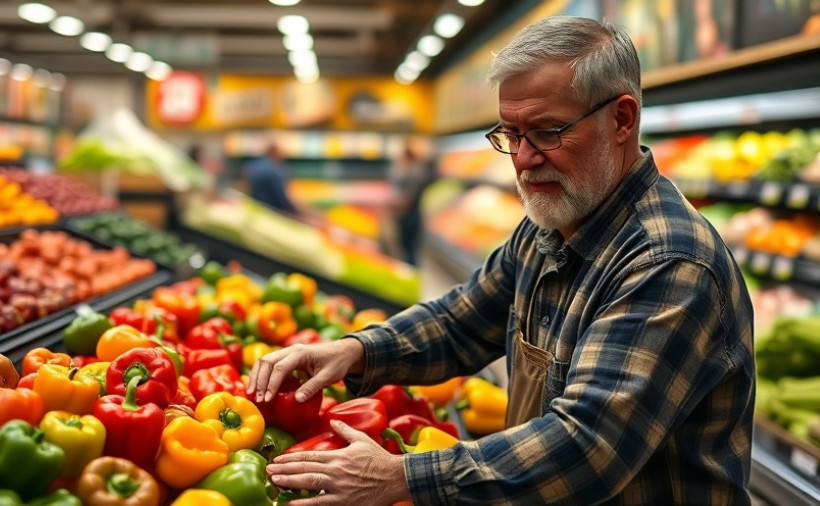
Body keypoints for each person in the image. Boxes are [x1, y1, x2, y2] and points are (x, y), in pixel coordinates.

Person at [247, 15, 754, 505]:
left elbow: (587, 447)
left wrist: (405, 476)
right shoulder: (549, 226)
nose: (524, 159)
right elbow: (461, 321)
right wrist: (355, 352)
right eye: (511, 135)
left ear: (621, 119)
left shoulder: (669, 263)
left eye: (548, 132)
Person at [388, 145, 435, 265]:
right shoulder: (406, 169)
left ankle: (411, 272)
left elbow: (410, 196)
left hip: (411, 215)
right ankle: (409, 269)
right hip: (406, 214)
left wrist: (398, 207)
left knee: (410, 248)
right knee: (406, 247)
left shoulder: (415, 172)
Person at [242, 142, 299, 215]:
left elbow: (244, 187)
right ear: (275, 153)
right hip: (271, 212)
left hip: (254, 210)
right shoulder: (276, 170)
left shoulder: (251, 166)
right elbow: (282, 199)